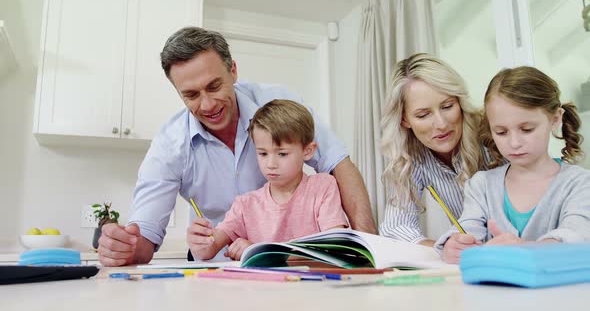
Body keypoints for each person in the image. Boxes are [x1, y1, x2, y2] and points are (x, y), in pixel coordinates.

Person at [97, 27, 375, 266]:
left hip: (296, 264)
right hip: (219, 270)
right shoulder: (169, 145)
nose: (207, 105)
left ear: (233, 71)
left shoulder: (278, 104)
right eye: (191, 95)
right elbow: (144, 235)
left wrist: (371, 248)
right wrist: (124, 247)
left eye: (214, 86)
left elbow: (338, 164)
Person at [436, 66, 590, 264]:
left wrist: (527, 249)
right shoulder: (481, 185)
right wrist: (455, 245)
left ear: (555, 119)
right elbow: (466, 230)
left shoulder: (580, 183)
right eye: (501, 132)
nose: (514, 143)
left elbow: (578, 235)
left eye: (526, 129)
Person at [190, 99, 349, 260]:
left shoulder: (322, 187)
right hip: (262, 285)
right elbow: (208, 250)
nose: (271, 164)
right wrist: (200, 242)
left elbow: (334, 249)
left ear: (307, 151)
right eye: (263, 153)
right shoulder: (245, 205)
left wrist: (261, 252)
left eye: (282, 154)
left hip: (313, 284)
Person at [379, 53, 489, 246]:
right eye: (423, 115)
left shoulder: (493, 136)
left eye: (447, 106)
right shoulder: (412, 157)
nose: (441, 124)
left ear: (460, 102)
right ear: (405, 120)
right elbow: (394, 228)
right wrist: (443, 247)